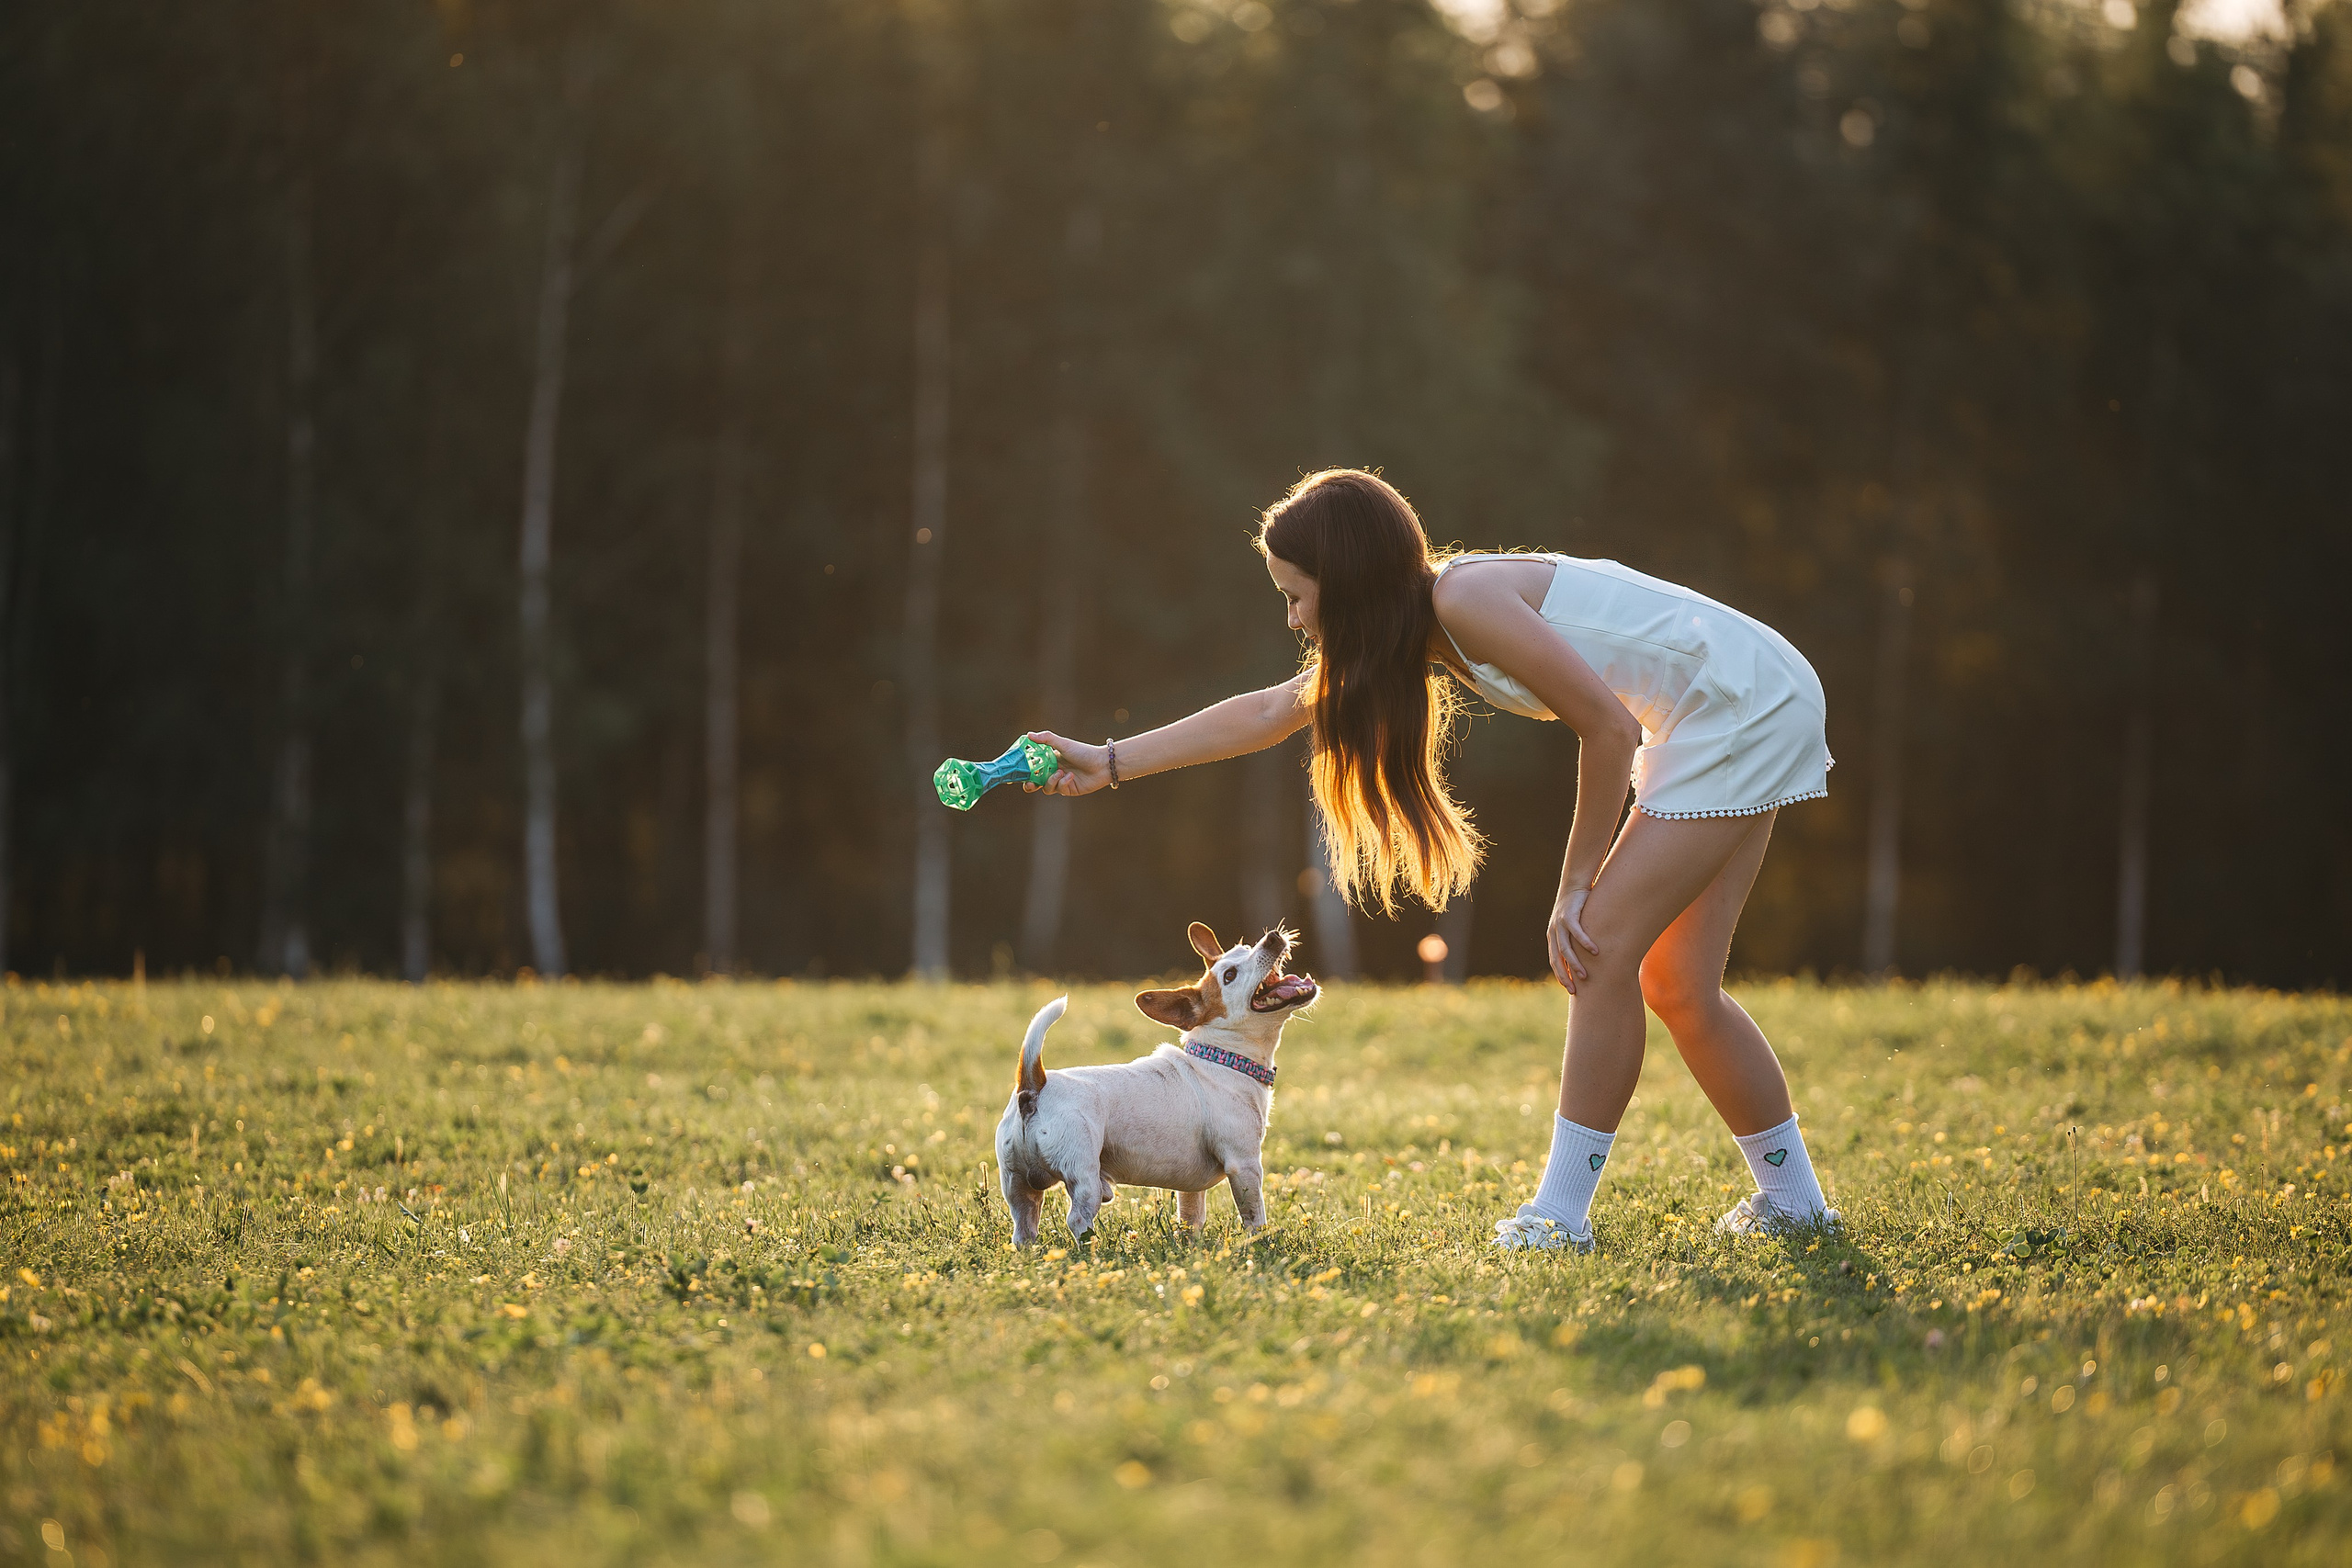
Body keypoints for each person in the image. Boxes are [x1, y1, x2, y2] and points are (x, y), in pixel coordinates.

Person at [1025, 468, 1838, 1251]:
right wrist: (1111, 760)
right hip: (1746, 694)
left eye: (1296, 595)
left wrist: (1574, 887)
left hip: (1738, 706)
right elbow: (1271, 710)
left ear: (1345, 585)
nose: (1294, 621)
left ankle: (1560, 1215)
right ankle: (1798, 1205)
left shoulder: (1464, 598)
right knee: (1674, 982)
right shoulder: (1421, 622)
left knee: (1598, 949)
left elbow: (1610, 729)